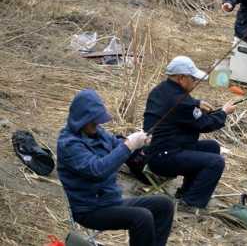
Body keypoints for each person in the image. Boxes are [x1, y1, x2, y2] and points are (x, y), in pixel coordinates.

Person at [57, 89, 174, 246]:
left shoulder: (98, 132)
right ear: (81, 119)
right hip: (90, 210)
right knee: (142, 217)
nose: (97, 124)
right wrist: (128, 146)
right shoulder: (69, 144)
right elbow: (97, 170)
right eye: (93, 120)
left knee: (164, 205)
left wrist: (139, 143)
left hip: (110, 201)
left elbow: (118, 146)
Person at [143, 56, 236, 213]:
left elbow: (183, 110)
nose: (195, 82)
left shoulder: (162, 90)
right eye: (193, 78)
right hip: (165, 158)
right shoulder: (181, 101)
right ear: (181, 78)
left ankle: (186, 192)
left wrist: (197, 103)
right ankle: (191, 203)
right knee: (215, 162)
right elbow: (205, 124)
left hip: (159, 149)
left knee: (212, 147)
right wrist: (223, 113)